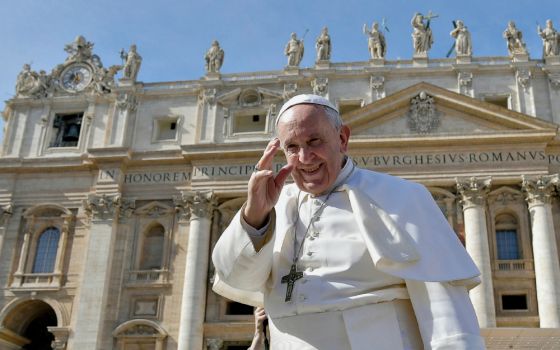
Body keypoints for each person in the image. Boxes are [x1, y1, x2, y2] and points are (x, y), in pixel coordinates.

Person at [212, 94, 485, 349]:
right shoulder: (274, 203)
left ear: (342, 138)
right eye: (292, 147)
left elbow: (446, 313)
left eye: (314, 141)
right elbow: (236, 278)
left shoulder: (402, 197)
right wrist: (254, 217)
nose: (305, 158)